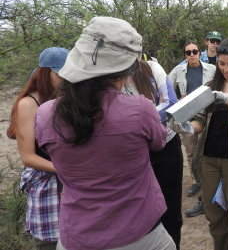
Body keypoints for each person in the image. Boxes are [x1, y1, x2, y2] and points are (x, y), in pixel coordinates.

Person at [34, 17, 176, 250]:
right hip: (141, 235)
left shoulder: (45, 113)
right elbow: (160, 142)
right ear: (124, 72)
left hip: (75, 236)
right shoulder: (139, 109)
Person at [169, 38, 228, 250]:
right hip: (209, 161)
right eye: (221, 63)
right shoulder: (209, 87)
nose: (226, 69)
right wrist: (185, 127)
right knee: (215, 215)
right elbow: (200, 121)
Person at [7, 47, 69, 250]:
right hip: (48, 181)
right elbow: (28, 157)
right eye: (60, 74)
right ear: (45, 72)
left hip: (68, 180)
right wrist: (68, 169)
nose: (65, 79)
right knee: (51, 241)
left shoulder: (60, 99)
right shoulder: (29, 103)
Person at [125, 56, 183, 249]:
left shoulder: (152, 68)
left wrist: (135, 120)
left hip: (167, 144)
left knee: (171, 208)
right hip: (137, 149)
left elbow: (171, 104)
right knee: (141, 208)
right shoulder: (109, 77)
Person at [169, 41, 215, 198]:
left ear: (199, 52)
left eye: (195, 51)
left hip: (208, 112)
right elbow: (166, 90)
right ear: (185, 55)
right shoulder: (178, 71)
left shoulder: (212, 69)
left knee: (209, 148)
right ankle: (197, 182)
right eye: (188, 52)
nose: (192, 55)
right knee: (191, 150)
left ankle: (210, 180)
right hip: (187, 114)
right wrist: (177, 101)